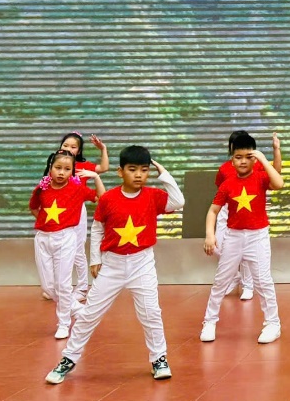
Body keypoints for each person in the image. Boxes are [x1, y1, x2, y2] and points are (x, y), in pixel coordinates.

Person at [45, 145, 184, 384]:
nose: (138, 175)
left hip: (143, 264)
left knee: (151, 313)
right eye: (132, 170)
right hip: (113, 265)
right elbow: (98, 227)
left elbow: (178, 202)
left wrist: (164, 174)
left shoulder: (153, 196)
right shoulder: (108, 198)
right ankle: (68, 358)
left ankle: (159, 358)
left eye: (144, 170)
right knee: (89, 314)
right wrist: (96, 259)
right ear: (120, 172)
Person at [201, 131, 285, 345]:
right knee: (221, 281)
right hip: (233, 237)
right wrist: (210, 235)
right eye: (238, 157)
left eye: (248, 157)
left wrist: (265, 158)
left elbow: (279, 183)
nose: (243, 161)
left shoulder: (261, 177)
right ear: (232, 159)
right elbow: (213, 211)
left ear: (254, 157)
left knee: (263, 281)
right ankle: (209, 321)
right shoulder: (228, 183)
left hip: (258, 237)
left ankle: (272, 324)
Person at [29, 150, 104, 339]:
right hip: (43, 238)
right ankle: (78, 310)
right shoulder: (43, 187)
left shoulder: (77, 188)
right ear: (50, 168)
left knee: (62, 284)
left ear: (72, 171)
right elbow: (33, 207)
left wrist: (95, 177)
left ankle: (63, 323)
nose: (62, 172)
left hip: (65, 238)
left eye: (67, 169)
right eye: (58, 168)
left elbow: (101, 199)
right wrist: (46, 224)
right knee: (48, 287)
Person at [213, 131, 282, 302]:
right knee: (218, 248)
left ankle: (248, 285)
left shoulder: (255, 165)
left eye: (247, 154)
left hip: (250, 214)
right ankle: (233, 276)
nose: (242, 160)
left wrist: (276, 150)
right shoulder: (223, 169)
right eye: (237, 152)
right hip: (228, 210)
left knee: (247, 252)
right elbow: (220, 190)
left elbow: (276, 175)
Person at [56, 132, 110, 306]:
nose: (69, 149)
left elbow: (103, 168)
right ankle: (58, 287)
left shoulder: (82, 166)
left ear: (79, 150)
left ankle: (81, 288)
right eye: (66, 145)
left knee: (77, 249)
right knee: (57, 249)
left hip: (77, 211)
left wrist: (103, 149)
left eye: (73, 147)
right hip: (58, 211)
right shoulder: (55, 164)